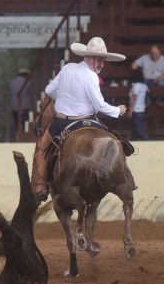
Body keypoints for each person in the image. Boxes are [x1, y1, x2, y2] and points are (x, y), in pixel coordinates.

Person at [31, 37, 127, 201]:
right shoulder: (91, 77)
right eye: (99, 59)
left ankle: (39, 186)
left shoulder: (67, 68)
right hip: (88, 120)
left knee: (41, 147)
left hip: (62, 122)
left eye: (103, 60)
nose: (102, 64)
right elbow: (99, 106)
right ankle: (124, 177)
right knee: (116, 140)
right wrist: (117, 111)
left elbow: (49, 90)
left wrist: (63, 96)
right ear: (88, 57)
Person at [128, 68, 149, 140]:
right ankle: (133, 141)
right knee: (136, 127)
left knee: (138, 128)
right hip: (142, 109)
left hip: (136, 109)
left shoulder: (136, 86)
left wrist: (131, 110)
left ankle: (147, 141)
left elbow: (134, 98)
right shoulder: (144, 86)